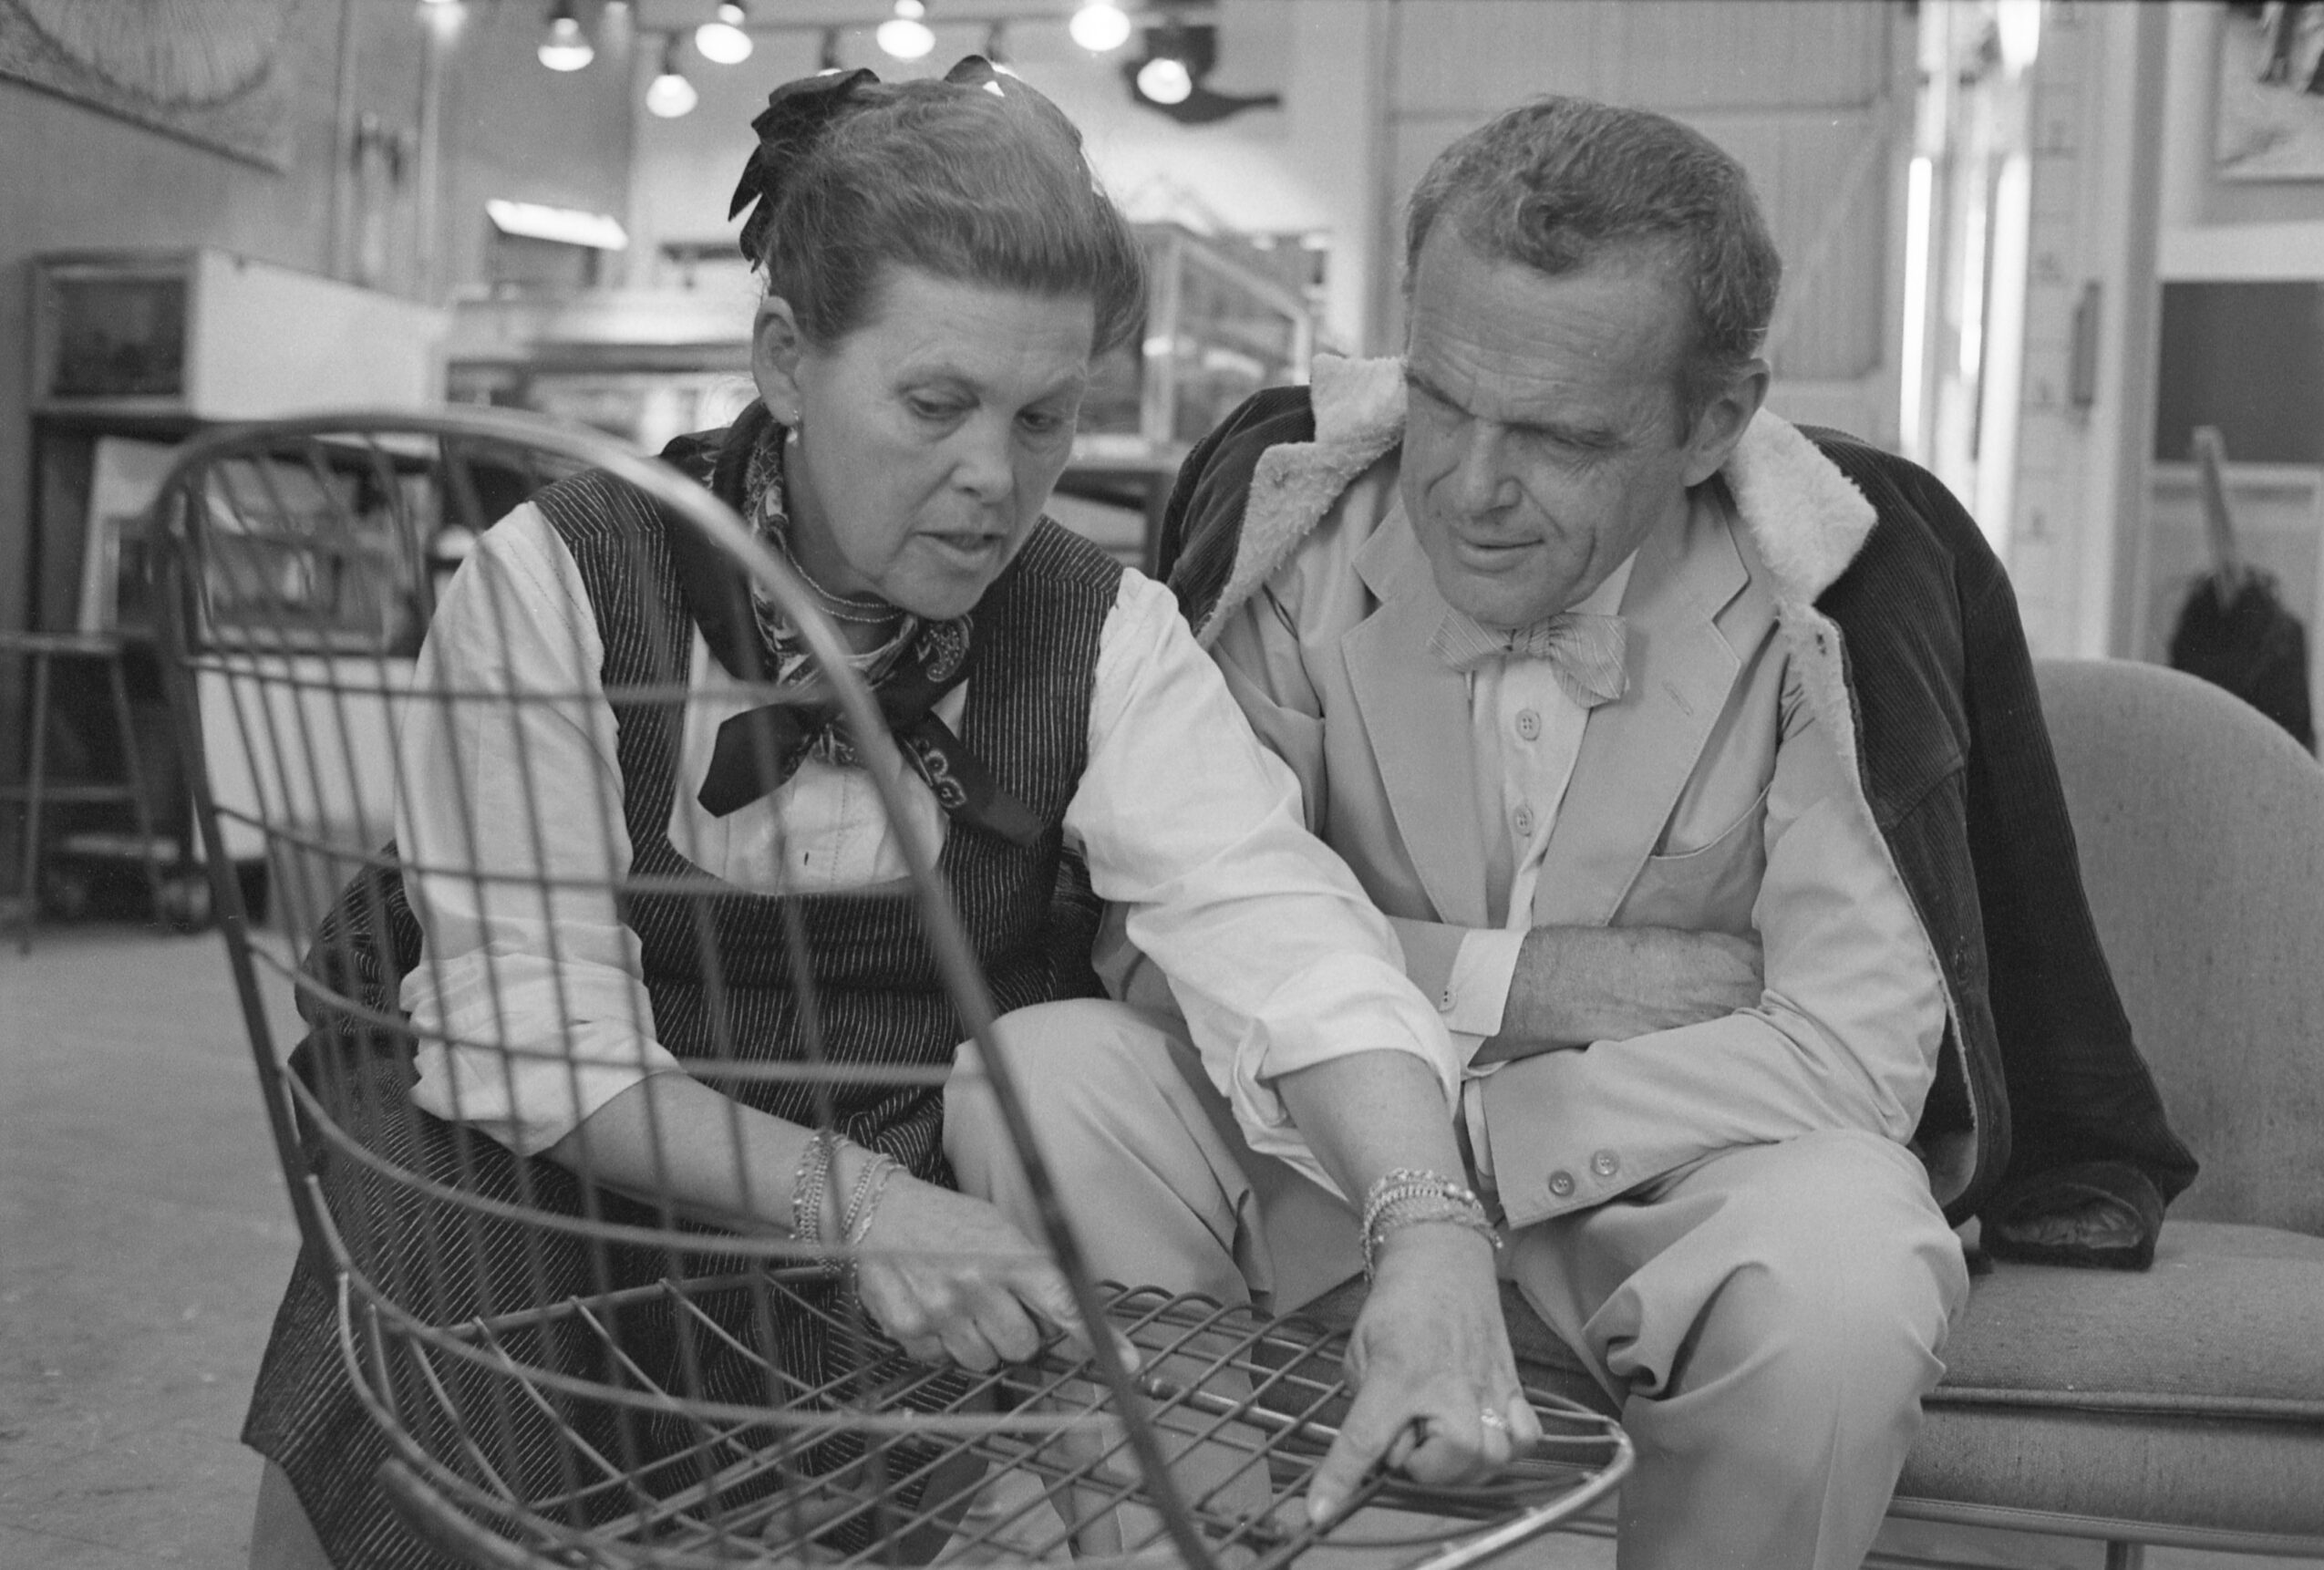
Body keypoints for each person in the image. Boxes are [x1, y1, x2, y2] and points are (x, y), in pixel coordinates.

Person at [243, 61, 1527, 1569]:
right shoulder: (560, 576)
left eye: (1044, 417)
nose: (994, 479)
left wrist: (1426, 1217)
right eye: (935, 404)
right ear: (786, 359)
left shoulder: (1098, 628)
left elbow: (1277, 924)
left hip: (904, 1145)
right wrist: (847, 1205)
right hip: (558, 1169)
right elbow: (527, 1030)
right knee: (435, 1299)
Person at [1140, 97, 2200, 1568]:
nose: (1467, 484)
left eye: (1561, 437)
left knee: (1849, 1259)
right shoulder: (1294, 539)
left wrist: (1450, 1152)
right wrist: (1533, 989)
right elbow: (1173, 946)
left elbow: (1849, 1051)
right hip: (1311, 1156)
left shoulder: (1834, 603)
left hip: (1671, 1177)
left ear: (1714, 423)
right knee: (1052, 1076)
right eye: (1442, 399)